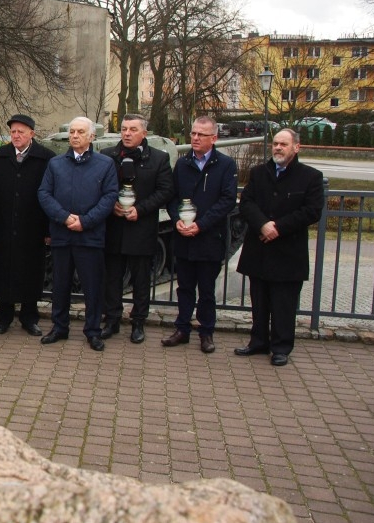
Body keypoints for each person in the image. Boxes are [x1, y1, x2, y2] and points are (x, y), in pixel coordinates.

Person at [235, 129, 324, 366]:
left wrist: (278, 228)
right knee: (260, 299)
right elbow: (247, 203)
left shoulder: (310, 177)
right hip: (260, 247)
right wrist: (263, 225)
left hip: (287, 250)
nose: (277, 148)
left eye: (283, 144)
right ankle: (258, 341)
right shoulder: (258, 173)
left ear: (296, 147)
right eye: (275, 143)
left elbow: (311, 211)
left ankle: (281, 347)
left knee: (284, 303)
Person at [37, 117, 118, 352]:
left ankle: (93, 331)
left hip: (89, 236)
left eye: (80, 132)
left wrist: (86, 221)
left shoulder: (105, 164)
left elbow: (110, 196)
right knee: (60, 284)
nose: (74, 135)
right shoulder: (56, 164)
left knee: (92, 286)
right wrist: (64, 217)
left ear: (91, 136)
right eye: (72, 131)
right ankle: (59, 327)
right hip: (62, 234)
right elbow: (44, 194)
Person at [161, 115, 238, 354]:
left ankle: (206, 333)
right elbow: (172, 197)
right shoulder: (183, 164)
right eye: (193, 133)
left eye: (200, 135)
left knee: (206, 290)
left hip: (208, 237)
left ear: (213, 138)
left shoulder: (225, 165)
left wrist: (201, 225)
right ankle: (182, 329)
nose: (194, 138)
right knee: (184, 287)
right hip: (183, 236)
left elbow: (226, 201)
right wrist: (177, 221)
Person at [100, 114, 173, 344]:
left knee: (141, 279)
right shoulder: (108, 156)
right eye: (123, 129)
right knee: (112, 278)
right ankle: (111, 320)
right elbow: (99, 185)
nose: (127, 133)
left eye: (133, 129)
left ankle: (138, 322)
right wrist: (110, 205)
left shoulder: (158, 159)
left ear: (144, 133)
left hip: (141, 227)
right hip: (114, 226)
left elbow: (165, 191)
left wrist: (140, 210)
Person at [0, 114, 54, 336]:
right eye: (13, 132)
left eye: (21, 132)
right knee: (4, 270)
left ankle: (29, 317)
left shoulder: (46, 158)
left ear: (31, 134)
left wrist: (47, 229)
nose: (16, 136)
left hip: (33, 227)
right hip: (4, 226)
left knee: (31, 272)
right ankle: (3, 317)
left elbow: (51, 195)